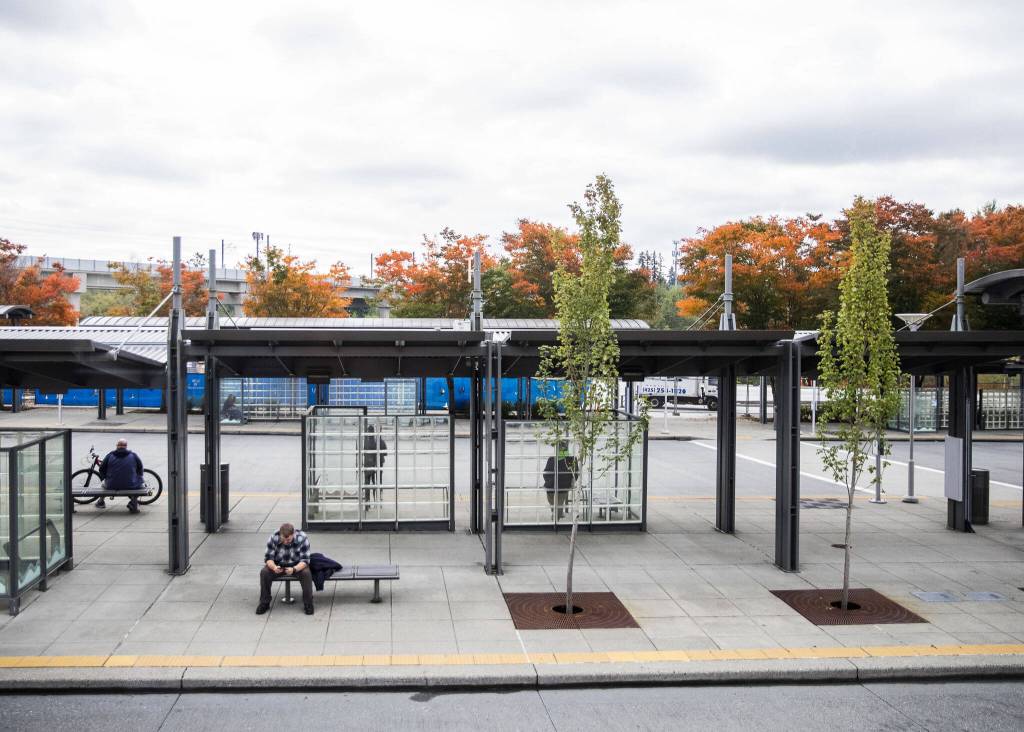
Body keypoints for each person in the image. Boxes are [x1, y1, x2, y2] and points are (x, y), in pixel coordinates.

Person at [257, 522, 314, 615]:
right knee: (264, 573)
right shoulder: (273, 537)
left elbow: (305, 560)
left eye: (289, 539)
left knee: (306, 573)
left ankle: (308, 603)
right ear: (280, 534)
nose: (286, 542)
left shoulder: (302, 537)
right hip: (278, 564)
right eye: (284, 539)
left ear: (293, 534)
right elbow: (268, 558)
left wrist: (294, 569)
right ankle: (264, 603)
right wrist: (274, 567)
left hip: (297, 564)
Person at [96, 438, 145, 513]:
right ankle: (133, 503)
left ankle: (101, 502)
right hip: (130, 485)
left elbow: (101, 469)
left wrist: (106, 477)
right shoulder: (133, 455)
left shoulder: (110, 455)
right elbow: (140, 468)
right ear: (126, 446)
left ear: (117, 446)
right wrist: (137, 477)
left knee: (104, 485)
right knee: (140, 485)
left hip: (111, 485)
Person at [543, 441, 578, 520]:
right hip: (558, 485)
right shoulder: (571, 458)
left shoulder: (552, 459)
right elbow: (575, 474)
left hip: (556, 485)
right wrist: (571, 482)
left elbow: (546, 473)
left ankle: (556, 519)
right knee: (557, 502)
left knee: (557, 502)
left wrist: (549, 480)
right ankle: (557, 514)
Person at [362, 424, 388, 508]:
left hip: (369, 465)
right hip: (376, 465)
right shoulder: (379, 441)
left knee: (369, 483)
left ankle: (368, 503)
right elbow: (385, 453)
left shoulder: (367, 441)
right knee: (377, 483)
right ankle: (377, 501)